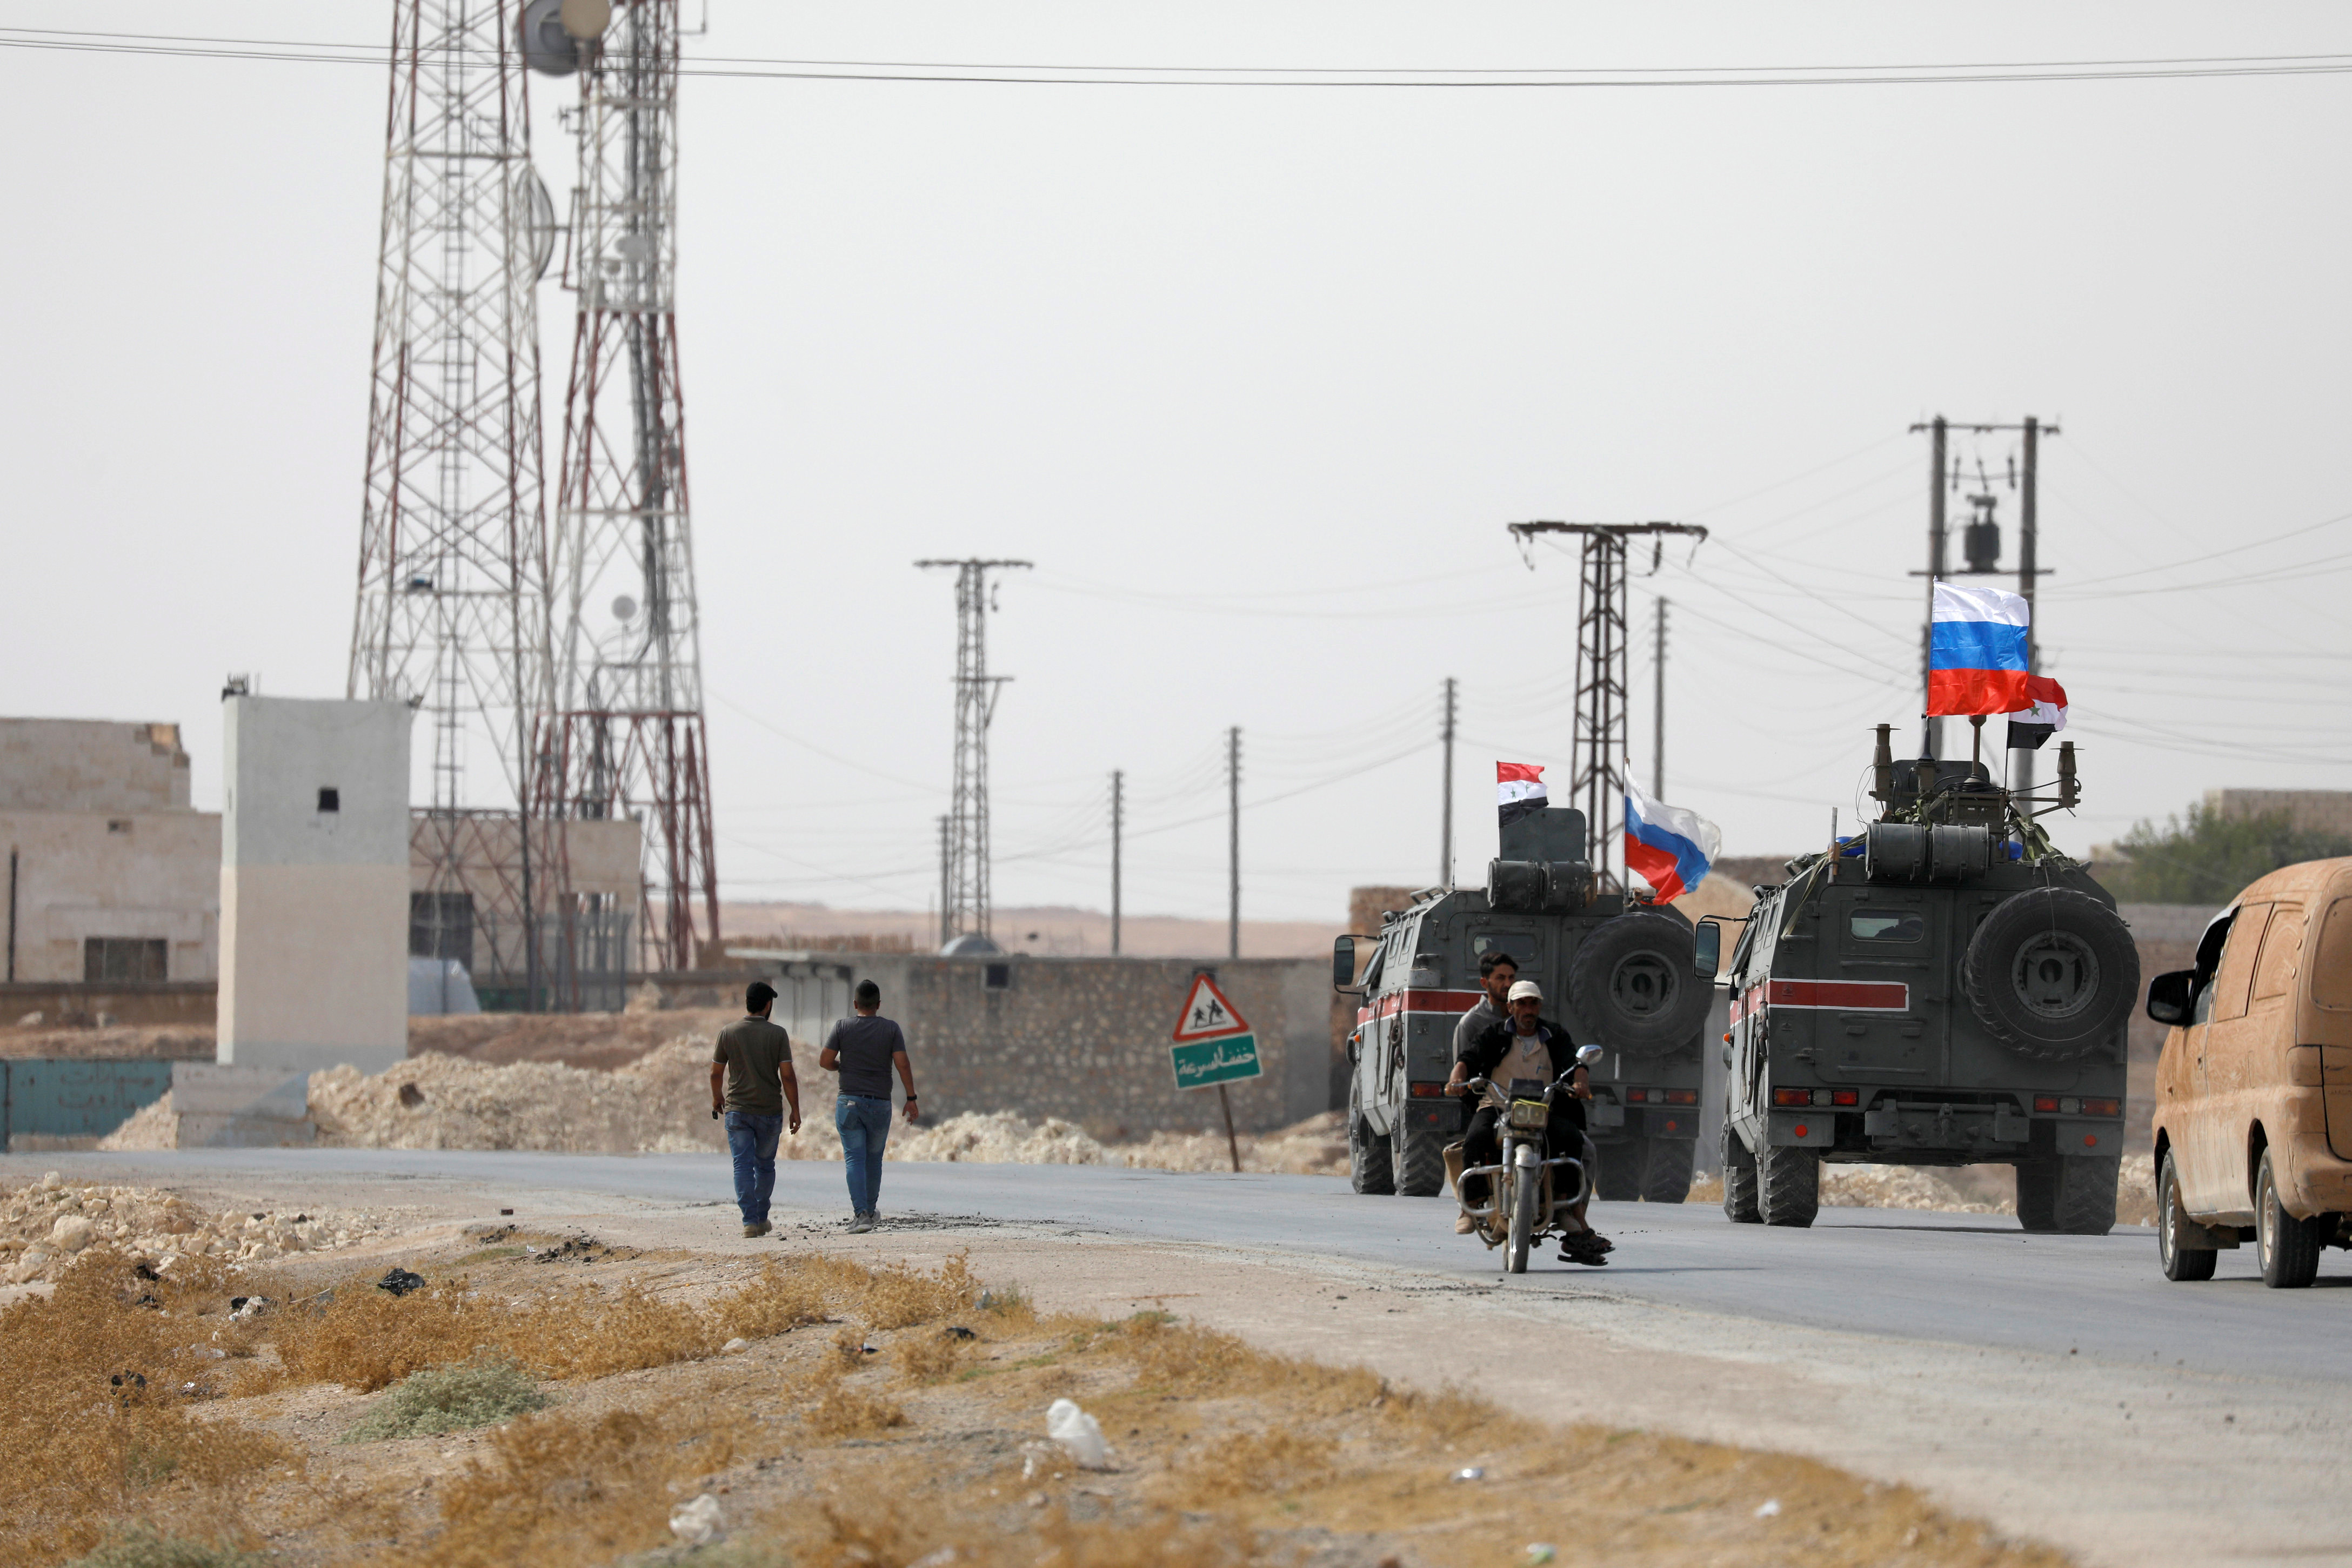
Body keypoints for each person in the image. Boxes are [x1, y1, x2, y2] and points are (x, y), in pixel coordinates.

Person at [1447, 979, 1612, 1264]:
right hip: (1497, 1106)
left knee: (1572, 1140)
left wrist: (1581, 1081)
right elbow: (1469, 1057)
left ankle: (1566, 1208)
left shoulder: (1554, 1035)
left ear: (1540, 1006)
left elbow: (1575, 1063)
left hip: (1542, 1109)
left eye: (1533, 1003)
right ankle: (1470, 1207)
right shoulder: (1494, 1034)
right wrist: (1457, 1077)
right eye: (1521, 1003)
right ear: (1510, 1007)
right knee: (1475, 1139)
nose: (1528, 1009)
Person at [821, 979, 919, 1234]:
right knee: (874, 1159)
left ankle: (861, 1214)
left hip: (849, 1102)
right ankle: (871, 1211)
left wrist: (840, 1066)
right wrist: (911, 1098)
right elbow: (903, 1064)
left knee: (854, 1158)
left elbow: (825, 1060)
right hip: (879, 1104)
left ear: (855, 1004)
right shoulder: (891, 1029)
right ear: (878, 1005)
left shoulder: (842, 1027)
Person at [709, 981, 800, 1239]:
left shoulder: (728, 1032)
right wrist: (795, 1109)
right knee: (765, 1166)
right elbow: (788, 1076)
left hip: (738, 1110)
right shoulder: (778, 1034)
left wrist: (717, 1098)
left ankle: (749, 1221)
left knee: (742, 1165)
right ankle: (761, 1217)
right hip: (770, 1111)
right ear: (768, 1005)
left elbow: (716, 1072)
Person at [1452, 949, 1518, 1062]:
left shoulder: (1521, 1017)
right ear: (1484, 983)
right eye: (1500, 978)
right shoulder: (1470, 1024)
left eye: (1511, 977)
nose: (1508, 984)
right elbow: (1462, 1073)